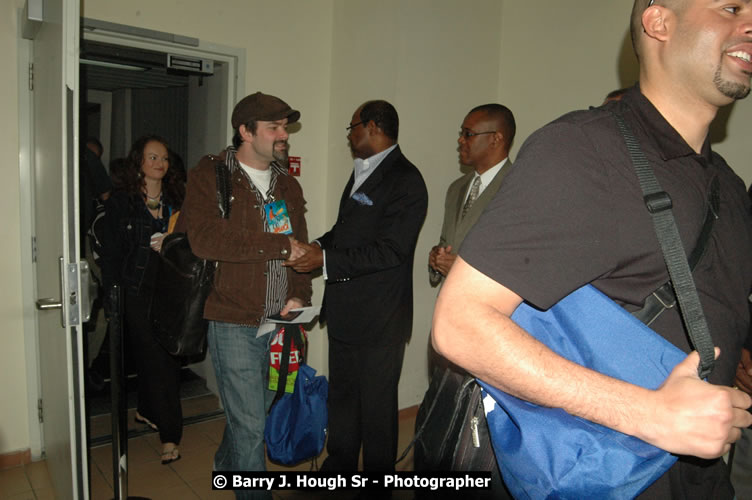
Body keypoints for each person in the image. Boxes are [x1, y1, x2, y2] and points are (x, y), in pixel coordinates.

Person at [432, 0, 752, 498]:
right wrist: (650, 413)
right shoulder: (582, 150)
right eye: (731, 7)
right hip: (602, 472)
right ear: (659, 21)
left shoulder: (729, 189)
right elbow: (460, 325)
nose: (749, 24)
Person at [178, 92, 311, 499]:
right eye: (274, 127)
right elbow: (203, 238)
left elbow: (300, 247)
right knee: (251, 426)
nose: (283, 135)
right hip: (232, 319)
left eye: (285, 127)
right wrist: (278, 246)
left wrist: (300, 297)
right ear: (246, 131)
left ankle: (225, 463)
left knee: (258, 410)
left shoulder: (286, 183)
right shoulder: (212, 174)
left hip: (281, 322)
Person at [285, 100, 428, 474]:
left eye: (352, 127)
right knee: (343, 400)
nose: (349, 136)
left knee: (377, 410)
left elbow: (391, 251)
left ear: (373, 127)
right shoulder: (361, 171)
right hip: (346, 312)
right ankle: (340, 468)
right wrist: (316, 247)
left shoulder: (406, 180)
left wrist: (325, 261)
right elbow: (346, 232)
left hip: (381, 318)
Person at [100, 134, 185, 464]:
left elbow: (191, 244)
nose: (159, 164)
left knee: (167, 359)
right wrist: (111, 297)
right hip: (134, 292)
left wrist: (172, 241)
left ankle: (149, 410)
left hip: (170, 291)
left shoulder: (178, 199)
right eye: (152, 157)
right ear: (139, 162)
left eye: (164, 158)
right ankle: (170, 436)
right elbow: (110, 255)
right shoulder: (121, 202)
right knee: (155, 360)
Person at [428, 103, 515, 286]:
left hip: (488, 305)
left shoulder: (517, 188)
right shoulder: (456, 188)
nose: (460, 140)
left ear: (495, 139)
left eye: (468, 134)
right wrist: (438, 258)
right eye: (461, 134)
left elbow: (519, 262)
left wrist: (462, 271)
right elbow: (448, 240)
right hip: (449, 304)